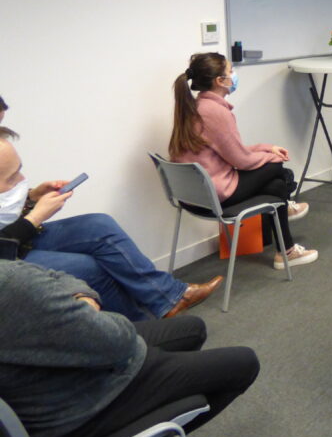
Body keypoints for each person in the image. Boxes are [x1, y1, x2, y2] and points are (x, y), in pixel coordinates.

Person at [0, 260, 259, 437]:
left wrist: (81, 296)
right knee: (244, 364)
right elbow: (118, 341)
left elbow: (53, 272)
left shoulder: (12, 277)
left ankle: (160, 401)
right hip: (77, 409)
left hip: (45, 385)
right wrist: (89, 309)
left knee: (192, 329)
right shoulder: (11, 285)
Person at [0, 126, 222, 320]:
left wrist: (31, 197)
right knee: (88, 267)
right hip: (6, 256)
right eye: (11, 178)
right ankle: (140, 333)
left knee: (98, 225)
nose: (21, 180)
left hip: (17, 238)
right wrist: (36, 217)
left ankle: (168, 297)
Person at [170, 52, 318, 269]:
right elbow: (242, 161)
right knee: (278, 168)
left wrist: (267, 148)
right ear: (220, 81)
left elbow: (231, 151)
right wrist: (273, 156)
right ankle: (285, 213)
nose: (234, 74)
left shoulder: (196, 107)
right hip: (214, 196)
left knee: (276, 185)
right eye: (231, 71)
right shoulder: (215, 112)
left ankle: (285, 244)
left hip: (192, 195)